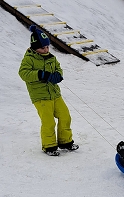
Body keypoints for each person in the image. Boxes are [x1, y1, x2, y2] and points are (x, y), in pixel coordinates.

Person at [19, 25, 79, 156]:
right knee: (48, 122)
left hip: (55, 94)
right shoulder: (29, 59)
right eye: (42, 48)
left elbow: (58, 68)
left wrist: (58, 75)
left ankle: (65, 141)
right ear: (35, 48)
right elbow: (23, 73)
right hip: (40, 97)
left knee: (65, 116)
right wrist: (40, 74)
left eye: (47, 47)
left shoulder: (51, 57)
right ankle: (49, 146)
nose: (46, 50)